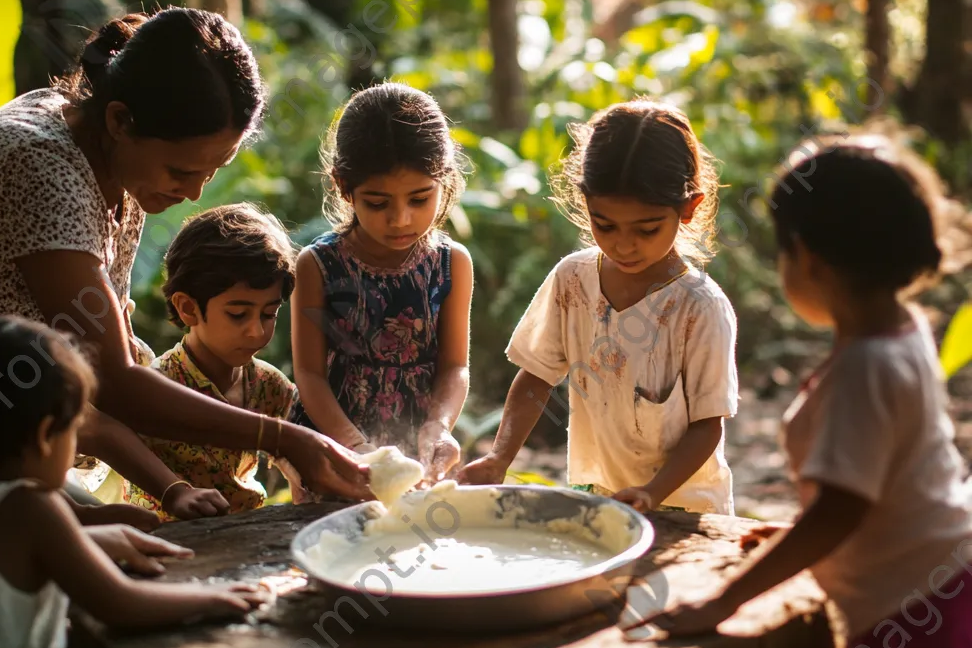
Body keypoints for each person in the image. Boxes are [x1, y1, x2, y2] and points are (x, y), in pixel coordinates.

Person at [0, 8, 369, 506]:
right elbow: (113, 382)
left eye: (211, 172)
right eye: (180, 170)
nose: (192, 193)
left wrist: (173, 490)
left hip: (30, 440)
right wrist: (286, 438)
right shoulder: (40, 165)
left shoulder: (117, 161)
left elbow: (106, 376)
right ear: (120, 119)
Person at [645, 138, 972, 648]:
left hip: (909, 615)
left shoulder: (866, 369)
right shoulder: (902, 331)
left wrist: (723, 600)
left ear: (811, 259)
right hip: (940, 584)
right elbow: (887, 479)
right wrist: (795, 532)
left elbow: (843, 509)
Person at [0, 318, 267, 648]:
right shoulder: (32, 507)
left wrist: (91, 531)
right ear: (46, 436)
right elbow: (119, 603)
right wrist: (214, 598)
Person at [460, 99, 739, 515]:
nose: (623, 245)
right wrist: (499, 456)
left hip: (685, 511)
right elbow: (536, 377)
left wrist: (652, 492)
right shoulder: (573, 281)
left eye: (646, 229)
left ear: (688, 208)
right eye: (604, 224)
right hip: (602, 497)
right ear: (585, 203)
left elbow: (707, 425)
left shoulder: (699, 307)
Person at [289, 83, 474, 498]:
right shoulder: (318, 266)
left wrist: (439, 425)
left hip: (416, 443)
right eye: (377, 203)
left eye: (420, 198)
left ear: (444, 181)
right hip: (333, 445)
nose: (400, 219)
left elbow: (454, 366)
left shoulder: (451, 264)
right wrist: (355, 448)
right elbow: (310, 375)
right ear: (343, 186)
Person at [125, 204, 297, 518]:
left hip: (247, 534)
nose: (256, 331)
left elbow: (301, 461)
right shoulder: (156, 389)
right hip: (165, 541)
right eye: (237, 314)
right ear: (188, 308)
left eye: (269, 314)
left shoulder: (272, 388)